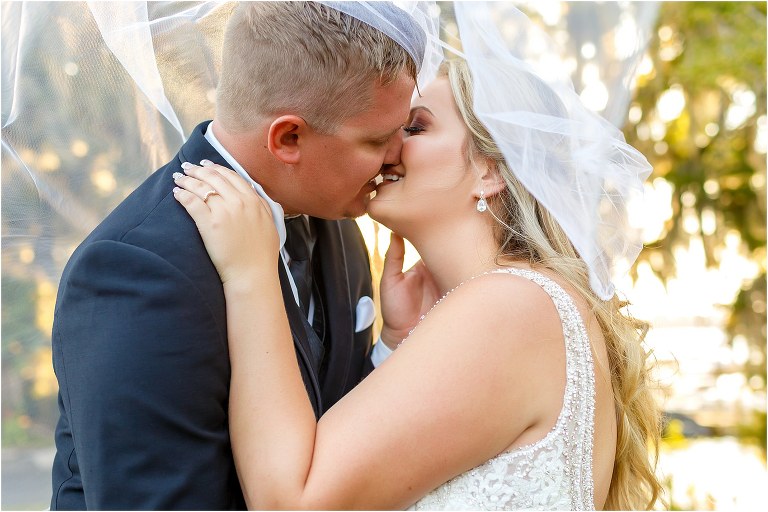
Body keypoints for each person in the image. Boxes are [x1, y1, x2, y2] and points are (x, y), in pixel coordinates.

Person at [172, 3, 665, 509]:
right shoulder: (514, 306)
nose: (389, 149)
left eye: (414, 127)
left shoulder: (510, 309)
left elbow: (292, 503)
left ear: (490, 170)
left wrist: (252, 275)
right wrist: (395, 345)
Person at [49, 2, 434, 509]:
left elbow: (329, 434)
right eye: (378, 138)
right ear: (289, 137)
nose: (396, 155)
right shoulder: (138, 271)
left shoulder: (337, 220)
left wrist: (391, 346)